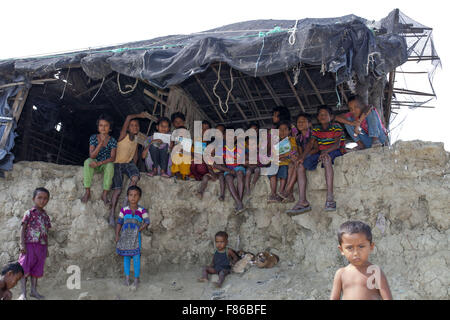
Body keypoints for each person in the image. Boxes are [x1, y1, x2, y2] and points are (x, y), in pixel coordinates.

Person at [286, 106, 345, 214]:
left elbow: (337, 144)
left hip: (334, 151)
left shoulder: (336, 126)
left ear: (331, 117)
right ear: (317, 117)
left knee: (326, 160)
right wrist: (301, 158)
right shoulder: (317, 129)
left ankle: (330, 198)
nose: (322, 116)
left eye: (325, 114)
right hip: (321, 153)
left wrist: (325, 152)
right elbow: (310, 145)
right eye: (320, 115)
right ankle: (302, 200)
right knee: (300, 165)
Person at [330, 221, 393, 300]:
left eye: (361, 246)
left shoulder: (375, 272)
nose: (356, 253)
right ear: (341, 250)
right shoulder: (341, 273)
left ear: (371, 247)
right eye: (350, 248)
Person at [109, 112, 149, 227]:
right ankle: (111, 214)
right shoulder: (123, 135)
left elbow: (135, 155)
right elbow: (128, 117)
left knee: (135, 177)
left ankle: (126, 202)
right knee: (117, 189)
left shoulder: (136, 139)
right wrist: (140, 115)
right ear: (127, 128)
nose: (134, 127)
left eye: (136, 125)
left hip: (128, 164)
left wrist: (133, 169)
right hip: (117, 164)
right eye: (132, 125)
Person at [18, 187, 51, 300]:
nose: (42, 200)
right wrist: (22, 244)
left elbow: (46, 232)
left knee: (37, 269)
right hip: (28, 245)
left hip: (41, 246)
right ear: (33, 199)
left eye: (45, 198)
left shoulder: (46, 216)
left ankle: (33, 291)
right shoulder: (29, 213)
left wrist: (46, 248)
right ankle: (23, 293)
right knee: (24, 268)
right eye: (40, 197)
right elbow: (23, 229)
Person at [115, 186, 150, 289]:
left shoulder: (142, 210)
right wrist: (117, 235)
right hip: (125, 238)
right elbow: (119, 223)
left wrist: (139, 230)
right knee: (126, 257)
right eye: (131, 195)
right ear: (128, 196)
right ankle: (126, 278)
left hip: (136, 238)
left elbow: (147, 222)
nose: (133, 197)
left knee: (136, 258)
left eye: (135, 195)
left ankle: (136, 278)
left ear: (139, 197)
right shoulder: (124, 210)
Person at [82, 114, 117, 204]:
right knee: (87, 161)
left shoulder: (113, 140)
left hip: (104, 163)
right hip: (95, 162)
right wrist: (100, 144)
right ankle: (87, 191)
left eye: (106, 125)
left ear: (110, 128)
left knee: (110, 165)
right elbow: (92, 156)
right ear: (98, 128)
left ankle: (104, 193)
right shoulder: (93, 137)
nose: (103, 128)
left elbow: (112, 158)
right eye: (101, 125)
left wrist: (100, 163)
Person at [279, 113, 313, 203]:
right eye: (298, 122)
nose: (300, 123)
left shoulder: (313, 134)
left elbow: (316, 149)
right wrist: (299, 157)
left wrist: (302, 157)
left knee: (297, 164)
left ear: (310, 124)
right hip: (303, 157)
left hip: (312, 156)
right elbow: (300, 152)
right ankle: (290, 194)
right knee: (291, 164)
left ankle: (287, 190)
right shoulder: (298, 138)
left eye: (303, 121)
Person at [214, 131, 247, 214]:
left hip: (238, 168)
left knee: (240, 174)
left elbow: (246, 161)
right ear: (224, 137)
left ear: (235, 138)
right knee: (228, 178)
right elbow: (215, 165)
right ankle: (239, 202)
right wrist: (228, 170)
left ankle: (239, 203)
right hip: (228, 169)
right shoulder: (221, 150)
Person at [267, 121, 299, 203]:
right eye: (280, 130)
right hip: (276, 163)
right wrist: (283, 155)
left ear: (289, 131)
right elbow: (273, 156)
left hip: (286, 163)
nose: (282, 132)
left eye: (285, 129)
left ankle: (281, 191)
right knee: (272, 174)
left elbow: (293, 151)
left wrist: (283, 156)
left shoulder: (291, 140)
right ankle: (273, 193)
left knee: (283, 174)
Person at [244, 123, 261, 197]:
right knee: (248, 172)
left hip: (257, 163)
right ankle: (247, 188)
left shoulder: (260, 141)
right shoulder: (244, 143)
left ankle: (253, 184)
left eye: (256, 129)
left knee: (257, 170)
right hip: (249, 164)